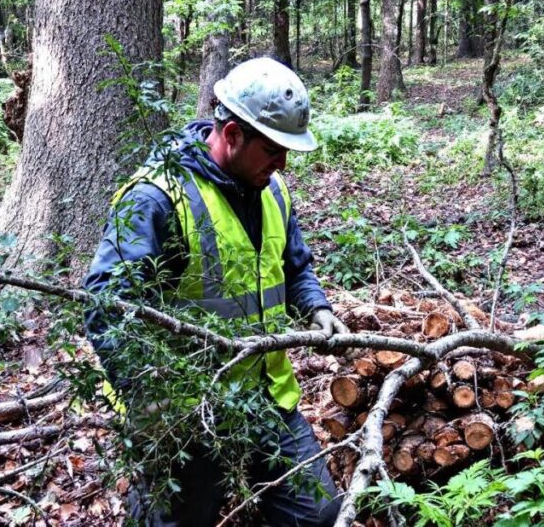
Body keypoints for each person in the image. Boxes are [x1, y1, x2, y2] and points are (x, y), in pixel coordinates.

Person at [83, 57, 347, 526]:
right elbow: (107, 307)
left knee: (320, 514)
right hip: (184, 415)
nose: (282, 163)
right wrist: (144, 391)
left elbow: (295, 266)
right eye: (273, 149)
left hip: (265, 398)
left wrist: (315, 306)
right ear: (231, 136)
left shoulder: (273, 189)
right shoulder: (157, 198)